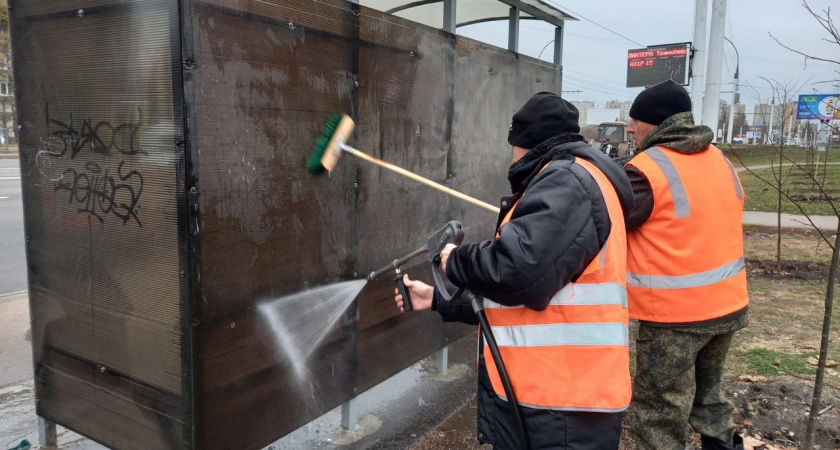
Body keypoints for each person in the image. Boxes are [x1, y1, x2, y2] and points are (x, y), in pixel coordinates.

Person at [394, 92, 635, 449]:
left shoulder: (568, 181)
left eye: (513, 146)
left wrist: (453, 260)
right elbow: (525, 300)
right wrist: (437, 300)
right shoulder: (570, 181)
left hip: (561, 408)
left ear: (526, 145)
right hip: (550, 399)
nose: (510, 157)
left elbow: (517, 270)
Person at [622, 80, 749, 450]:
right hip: (726, 306)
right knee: (708, 398)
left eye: (635, 120)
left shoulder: (647, 169)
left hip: (676, 317)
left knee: (660, 410)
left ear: (657, 123)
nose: (630, 128)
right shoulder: (718, 158)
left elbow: (606, 221)